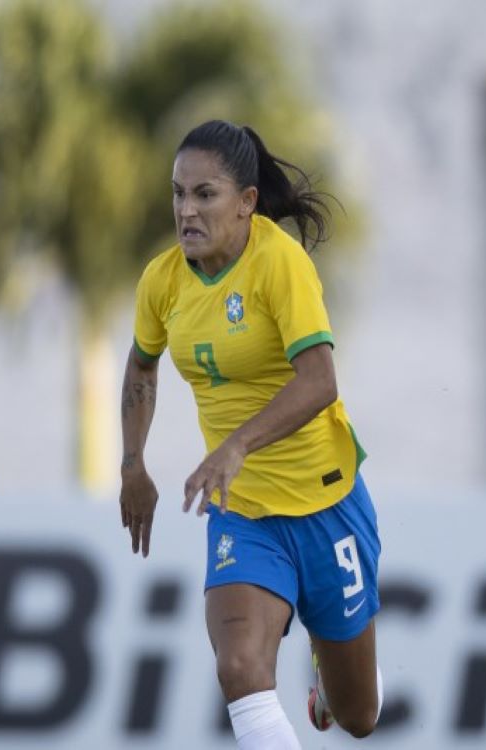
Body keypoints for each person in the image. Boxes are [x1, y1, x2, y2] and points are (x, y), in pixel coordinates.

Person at [118, 120, 382, 748]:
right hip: (244, 512)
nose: (186, 210)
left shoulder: (279, 263)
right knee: (239, 667)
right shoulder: (163, 281)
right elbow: (142, 365)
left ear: (247, 202)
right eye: (178, 194)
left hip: (326, 503)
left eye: (204, 195)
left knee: (359, 716)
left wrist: (236, 444)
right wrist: (133, 463)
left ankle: (327, 671)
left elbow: (320, 381)